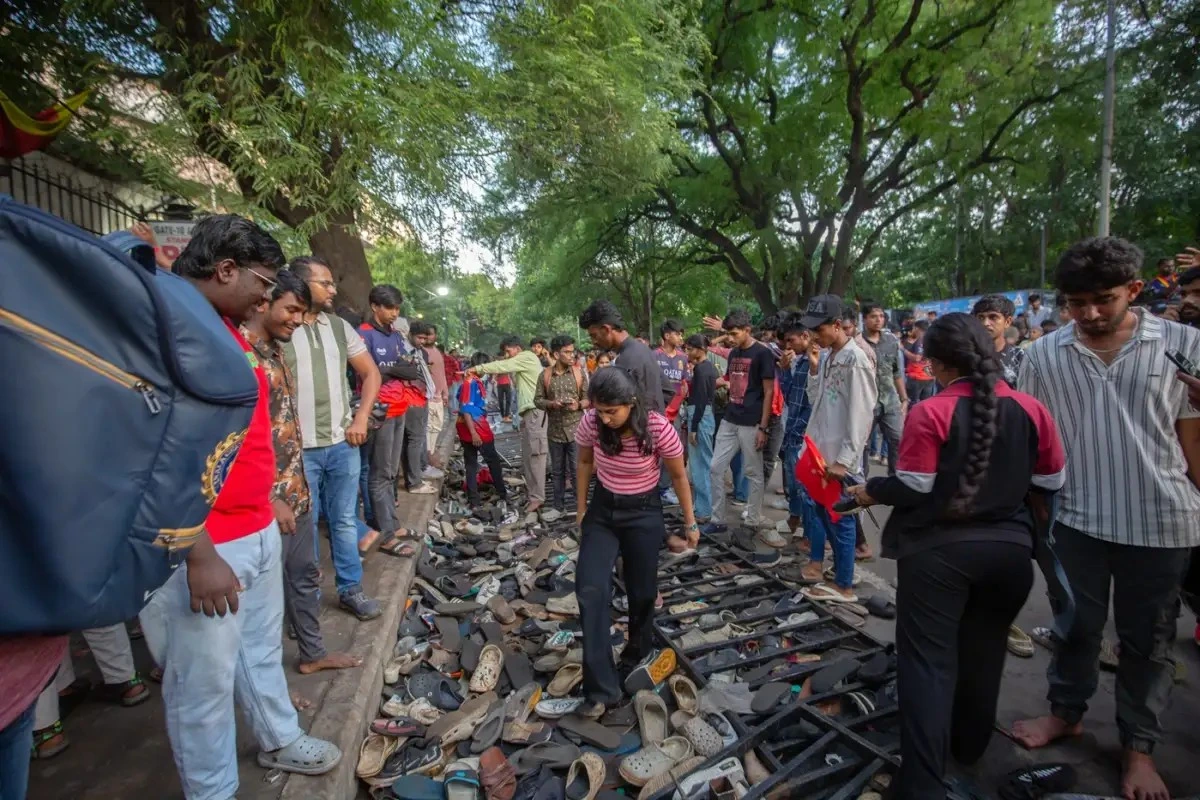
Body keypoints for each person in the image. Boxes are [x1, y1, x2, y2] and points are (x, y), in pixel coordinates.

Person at [140, 215, 340, 800]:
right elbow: (153, 452)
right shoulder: (170, 329)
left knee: (259, 649)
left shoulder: (226, 332)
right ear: (227, 270)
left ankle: (279, 736)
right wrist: (197, 551)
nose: (267, 296)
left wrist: (269, 493)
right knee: (202, 683)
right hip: (203, 543)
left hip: (254, 523)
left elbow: (247, 433)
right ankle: (213, 790)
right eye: (264, 282)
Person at [846, 313, 1066, 800]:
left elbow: (914, 486)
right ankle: (970, 746)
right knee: (984, 653)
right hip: (1010, 556)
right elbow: (1052, 481)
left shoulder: (932, 411)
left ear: (938, 364)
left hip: (938, 557)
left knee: (928, 664)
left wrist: (870, 490)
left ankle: (921, 784)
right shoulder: (1031, 408)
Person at [1012, 237, 1200, 800]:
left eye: (1104, 299)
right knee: (1075, 627)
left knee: (1149, 641)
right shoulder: (1043, 355)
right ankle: (1065, 713)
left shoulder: (1183, 345)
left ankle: (1138, 749)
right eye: (1077, 303)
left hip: (1162, 522)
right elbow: (1034, 439)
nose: (1090, 313)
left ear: (1134, 290)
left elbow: (1193, 444)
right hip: (1075, 519)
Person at [242, 270, 362, 679]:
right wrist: (270, 494)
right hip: (265, 496)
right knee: (263, 595)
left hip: (294, 486)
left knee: (304, 572)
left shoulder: (277, 351)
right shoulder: (243, 353)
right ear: (263, 303)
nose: (298, 320)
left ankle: (311, 653)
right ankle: (266, 686)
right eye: (291, 310)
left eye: (301, 312)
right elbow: (241, 436)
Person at [575, 367, 697, 711]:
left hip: (643, 513)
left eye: (611, 411)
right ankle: (601, 689)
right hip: (603, 512)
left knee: (642, 594)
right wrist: (581, 510)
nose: (605, 418)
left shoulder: (657, 428)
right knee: (590, 589)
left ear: (631, 402)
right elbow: (583, 462)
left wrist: (690, 524)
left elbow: (678, 476)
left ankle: (636, 656)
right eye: (599, 410)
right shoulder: (592, 422)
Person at [284, 256, 383, 620]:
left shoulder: (339, 327)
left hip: (342, 442)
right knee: (303, 527)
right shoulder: (283, 324)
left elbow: (370, 373)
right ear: (300, 283)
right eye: (324, 283)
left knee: (343, 520)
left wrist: (361, 417)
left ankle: (350, 589)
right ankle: (305, 602)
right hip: (297, 450)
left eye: (332, 282)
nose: (332, 289)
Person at [796, 295, 877, 601]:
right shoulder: (831, 356)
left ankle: (844, 585)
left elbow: (862, 414)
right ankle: (842, 571)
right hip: (822, 453)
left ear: (837, 325)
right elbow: (818, 399)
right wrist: (814, 369)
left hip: (839, 458)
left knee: (840, 518)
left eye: (819, 329)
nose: (814, 336)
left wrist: (844, 460)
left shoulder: (856, 360)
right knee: (824, 513)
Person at [700, 309, 776, 533]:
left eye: (734, 334)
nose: (730, 338)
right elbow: (731, 379)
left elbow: (769, 392)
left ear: (747, 330)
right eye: (728, 334)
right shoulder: (733, 354)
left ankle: (752, 520)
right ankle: (717, 520)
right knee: (715, 468)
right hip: (730, 418)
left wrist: (763, 427)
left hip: (752, 423)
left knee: (753, 472)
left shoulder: (762, 354)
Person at [468, 335, 548, 513]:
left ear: (517, 348)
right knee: (528, 456)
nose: (506, 355)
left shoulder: (526, 357)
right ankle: (533, 494)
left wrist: (477, 368)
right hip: (529, 414)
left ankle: (538, 497)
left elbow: (502, 366)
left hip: (535, 412)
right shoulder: (523, 362)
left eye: (508, 351)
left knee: (536, 456)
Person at [534, 335, 589, 519]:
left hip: (576, 431)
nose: (571, 355)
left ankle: (581, 508)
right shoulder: (545, 375)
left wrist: (578, 405)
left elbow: (588, 399)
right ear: (556, 354)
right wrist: (552, 404)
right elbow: (537, 400)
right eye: (567, 352)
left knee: (577, 470)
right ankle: (558, 507)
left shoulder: (579, 373)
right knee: (557, 471)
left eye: (572, 351)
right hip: (555, 431)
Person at [579, 300, 664, 412]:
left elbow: (622, 406)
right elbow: (667, 390)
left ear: (606, 329)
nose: (593, 342)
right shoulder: (644, 350)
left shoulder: (625, 360)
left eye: (594, 336)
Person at [859, 302, 907, 475]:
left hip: (890, 401)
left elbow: (896, 372)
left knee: (898, 440)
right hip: (866, 403)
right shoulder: (857, 344)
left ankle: (895, 480)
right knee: (862, 445)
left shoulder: (891, 341)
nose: (878, 320)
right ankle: (861, 482)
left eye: (881, 316)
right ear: (865, 319)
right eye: (873, 316)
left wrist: (904, 399)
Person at [457, 353, 509, 509]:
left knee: (471, 463)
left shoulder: (471, 381)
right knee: (492, 461)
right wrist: (474, 433)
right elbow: (466, 409)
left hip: (467, 425)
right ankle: (501, 493)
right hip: (475, 425)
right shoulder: (470, 382)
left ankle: (474, 500)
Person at [778, 322, 815, 534]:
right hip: (792, 428)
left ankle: (808, 531)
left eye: (791, 340)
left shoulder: (815, 362)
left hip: (803, 432)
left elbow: (813, 402)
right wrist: (784, 371)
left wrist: (799, 429)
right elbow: (789, 393)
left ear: (805, 336)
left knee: (803, 484)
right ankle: (795, 519)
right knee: (793, 481)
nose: (788, 346)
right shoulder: (799, 361)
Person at [684, 334, 717, 522]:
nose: (687, 352)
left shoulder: (702, 370)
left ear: (700, 349)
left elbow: (701, 399)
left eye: (690, 349)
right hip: (703, 415)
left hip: (700, 415)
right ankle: (703, 507)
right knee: (702, 463)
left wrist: (694, 426)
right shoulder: (708, 367)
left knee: (700, 465)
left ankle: (704, 510)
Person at [972, 294, 1025, 385]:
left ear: (1007, 322)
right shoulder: (969, 355)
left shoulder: (1020, 356)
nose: (985, 323)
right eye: (981, 317)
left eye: (993, 317)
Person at [422, 324, 449, 468]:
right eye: (425, 334)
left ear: (435, 336)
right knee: (427, 427)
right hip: (426, 397)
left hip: (438, 397)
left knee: (437, 427)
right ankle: (428, 456)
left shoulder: (437, 352)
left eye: (430, 334)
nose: (427, 337)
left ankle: (431, 452)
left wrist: (445, 393)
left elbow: (441, 374)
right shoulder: (420, 352)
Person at [902, 320, 935, 403]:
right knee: (926, 403)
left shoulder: (920, 340)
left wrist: (903, 349)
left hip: (916, 377)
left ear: (917, 328)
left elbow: (917, 358)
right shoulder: (932, 340)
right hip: (929, 376)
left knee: (913, 403)